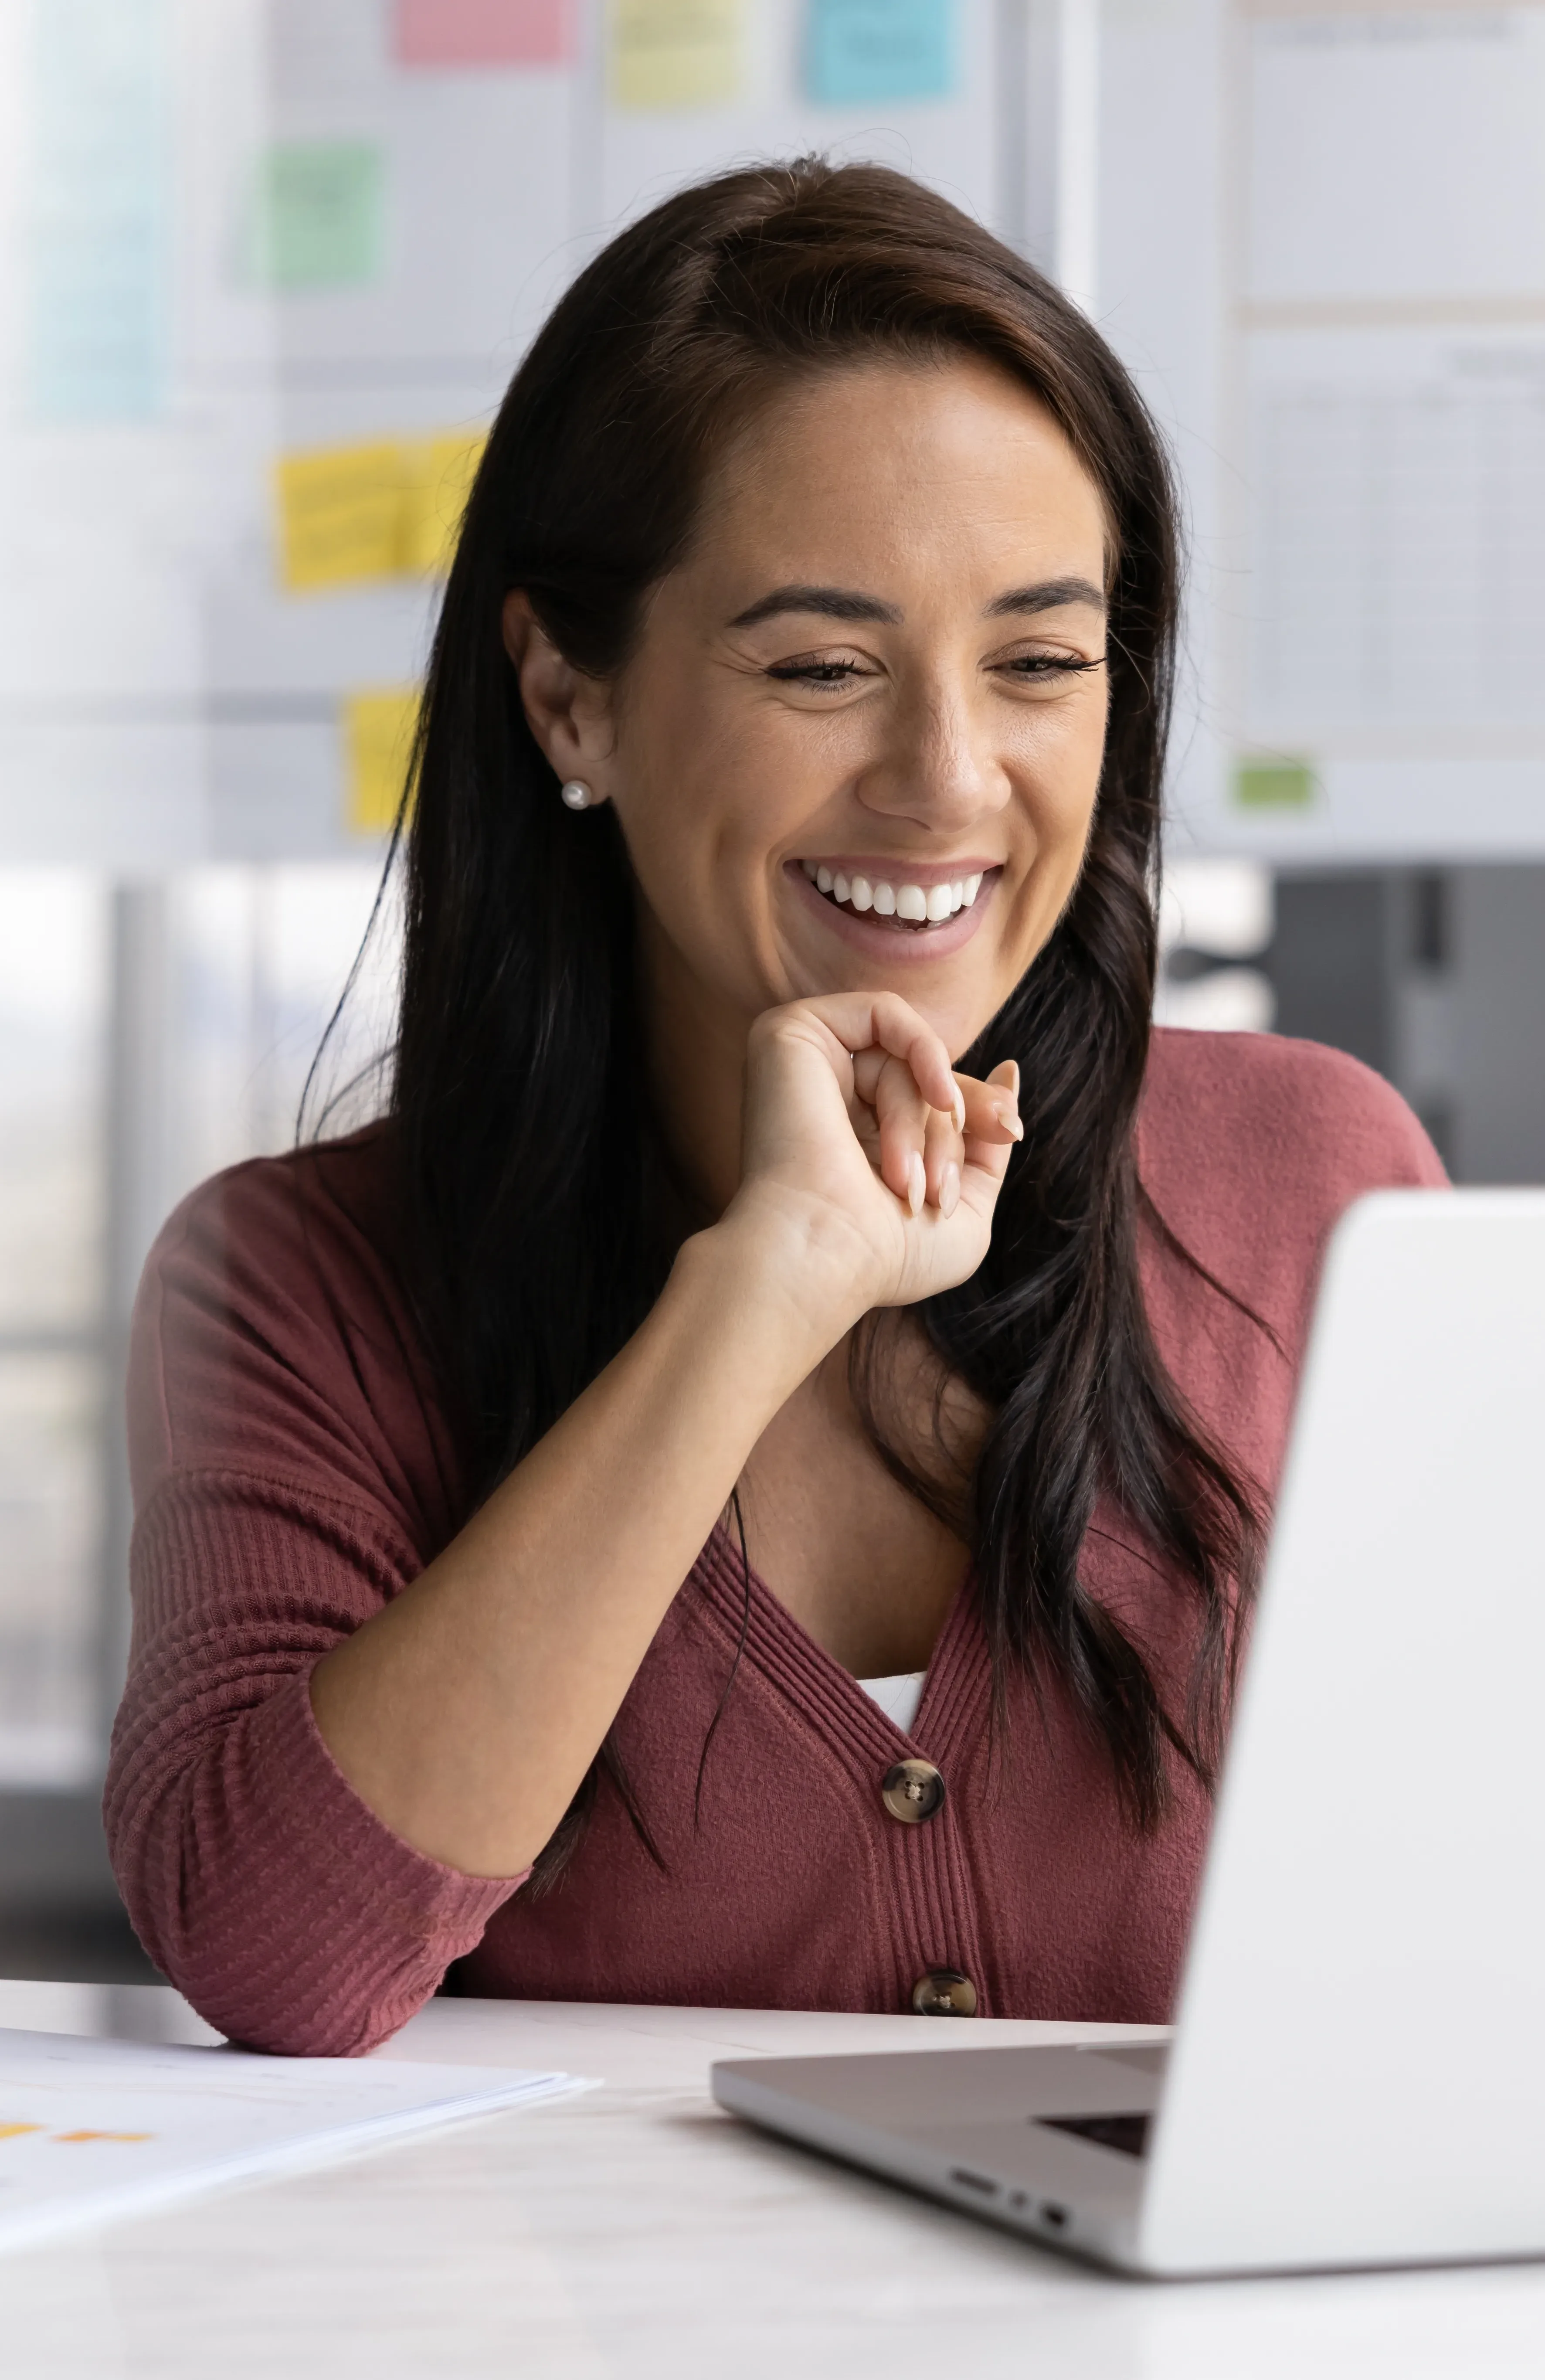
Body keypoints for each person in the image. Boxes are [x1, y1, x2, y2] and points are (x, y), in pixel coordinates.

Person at [105, 160, 1446, 2056]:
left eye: (1043, 662)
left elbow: (1519, 1903)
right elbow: (275, 1955)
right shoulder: (297, 1281)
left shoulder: (1318, 1182)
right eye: (824, 667)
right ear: (568, 700)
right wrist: (757, 1298)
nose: (948, 778)